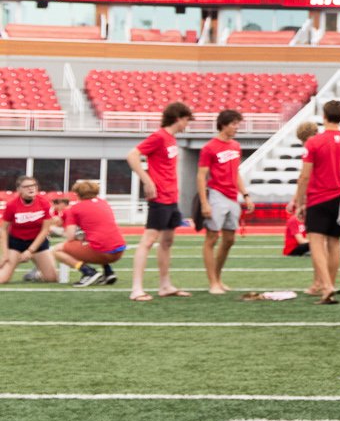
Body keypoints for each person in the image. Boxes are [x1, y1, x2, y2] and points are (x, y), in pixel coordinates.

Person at [126, 100, 193, 301]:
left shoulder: (172, 139)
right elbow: (132, 155)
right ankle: (136, 289)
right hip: (160, 198)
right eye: (186, 120)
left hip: (172, 197)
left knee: (167, 241)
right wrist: (147, 181)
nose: (187, 125)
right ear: (178, 118)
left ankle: (165, 285)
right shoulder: (159, 136)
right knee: (148, 241)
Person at [292, 100, 340, 305]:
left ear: (324, 116)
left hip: (319, 196)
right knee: (335, 243)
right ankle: (330, 283)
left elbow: (305, 176)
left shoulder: (314, 142)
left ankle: (325, 285)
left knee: (317, 243)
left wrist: (299, 201)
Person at [195, 108, 247, 295]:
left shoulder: (235, 146)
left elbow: (237, 173)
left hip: (232, 197)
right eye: (234, 124)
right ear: (223, 125)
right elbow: (201, 176)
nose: (236, 128)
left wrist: (245, 194)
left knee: (230, 239)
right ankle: (212, 283)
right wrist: (204, 203)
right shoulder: (209, 148)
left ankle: (217, 278)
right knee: (212, 238)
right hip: (216, 195)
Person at [51, 181, 126, 284]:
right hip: (119, 249)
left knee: (57, 250)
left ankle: (88, 272)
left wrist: (54, 230)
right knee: (91, 242)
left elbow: (70, 237)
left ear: (77, 194)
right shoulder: (103, 203)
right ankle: (108, 271)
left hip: (102, 252)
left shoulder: (74, 209)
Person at [0, 177, 59, 285]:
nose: (31, 189)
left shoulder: (44, 203)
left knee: (52, 279)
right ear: (19, 189)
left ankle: (35, 274)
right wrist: (5, 254)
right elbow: (3, 229)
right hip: (16, 243)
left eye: (33, 186)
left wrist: (30, 251)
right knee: (2, 279)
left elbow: (45, 229)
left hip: (38, 242)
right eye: (26, 186)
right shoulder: (12, 205)